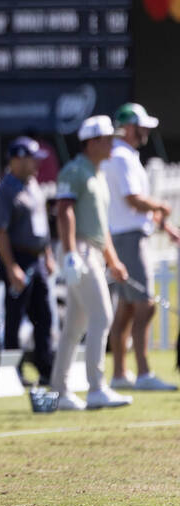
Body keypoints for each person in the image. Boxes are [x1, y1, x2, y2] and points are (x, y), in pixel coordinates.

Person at [50, 115, 133, 410]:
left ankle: (59, 392)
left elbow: (102, 226)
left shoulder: (97, 174)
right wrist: (71, 252)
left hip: (92, 251)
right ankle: (96, 387)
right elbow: (64, 211)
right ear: (93, 142)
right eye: (109, 139)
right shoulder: (75, 171)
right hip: (80, 251)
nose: (113, 144)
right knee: (102, 315)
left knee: (75, 324)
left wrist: (113, 260)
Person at [104, 103, 177, 392]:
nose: (146, 131)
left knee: (126, 308)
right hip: (128, 238)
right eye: (141, 126)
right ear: (130, 128)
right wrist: (161, 205)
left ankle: (121, 372)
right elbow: (133, 199)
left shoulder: (122, 156)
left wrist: (164, 225)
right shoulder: (121, 157)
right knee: (144, 305)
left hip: (126, 234)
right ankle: (143, 372)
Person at [0, 137, 57, 385]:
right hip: (19, 258)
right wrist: (11, 267)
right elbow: (1, 232)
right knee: (15, 317)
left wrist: (48, 255)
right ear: (17, 159)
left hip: (37, 258)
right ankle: (12, 372)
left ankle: (45, 367)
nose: (36, 165)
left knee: (44, 315)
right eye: (32, 159)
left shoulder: (33, 185)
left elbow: (42, 226)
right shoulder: (6, 190)